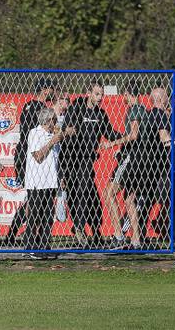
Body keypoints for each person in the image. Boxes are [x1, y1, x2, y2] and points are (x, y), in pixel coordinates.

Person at [61, 83, 120, 247]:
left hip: (87, 159)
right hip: (71, 157)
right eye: (96, 94)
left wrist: (125, 138)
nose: (100, 98)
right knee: (74, 194)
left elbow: (109, 133)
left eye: (101, 94)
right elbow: (66, 129)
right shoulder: (77, 108)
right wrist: (70, 131)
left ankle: (84, 228)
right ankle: (80, 227)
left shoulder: (101, 114)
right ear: (88, 93)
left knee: (86, 191)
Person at [5, 78, 55, 245]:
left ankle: (16, 234)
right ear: (44, 90)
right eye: (51, 88)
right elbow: (34, 136)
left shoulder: (30, 105)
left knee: (33, 200)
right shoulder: (37, 109)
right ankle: (23, 235)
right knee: (33, 201)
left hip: (26, 157)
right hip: (28, 159)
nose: (53, 92)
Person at [102, 92, 147, 249]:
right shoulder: (143, 109)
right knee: (129, 200)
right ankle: (136, 241)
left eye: (124, 94)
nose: (123, 98)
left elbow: (133, 135)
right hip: (142, 160)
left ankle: (119, 236)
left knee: (109, 193)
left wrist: (111, 143)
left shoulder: (134, 109)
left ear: (128, 93)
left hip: (131, 158)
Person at [24, 108, 63, 256]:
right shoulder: (35, 133)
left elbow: (56, 160)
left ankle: (44, 246)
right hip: (37, 182)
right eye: (54, 120)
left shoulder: (53, 135)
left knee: (47, 217)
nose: (56, 123)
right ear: (48, 121)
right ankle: (30, 247)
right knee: (35, 216)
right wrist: (52, 142)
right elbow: (38, 156)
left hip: (50, 182)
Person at [138, 87, 172, 242]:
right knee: (167, 198)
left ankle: (140, 234)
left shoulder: (148, 114)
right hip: (160, 164)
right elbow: (165, 138)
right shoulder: (160, 116)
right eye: (166, 97)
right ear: (161, 99)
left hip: (146, 163)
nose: (168, 99)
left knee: (147, 199)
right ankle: (167, 232)